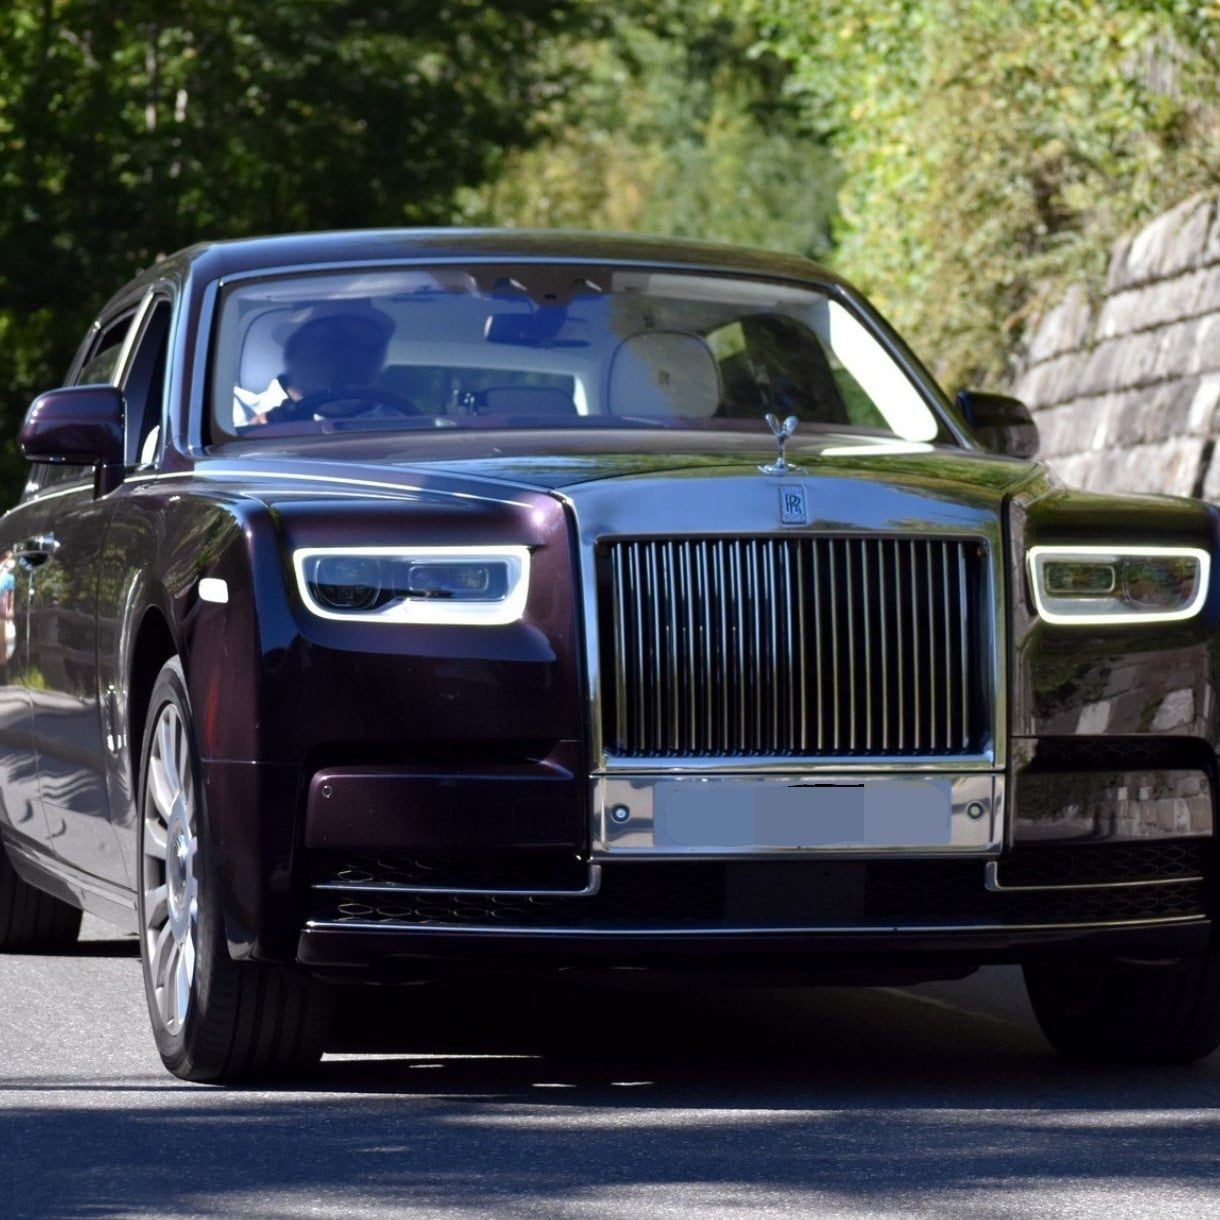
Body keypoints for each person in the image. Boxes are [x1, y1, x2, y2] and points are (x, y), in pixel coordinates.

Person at [233, 301, 394, 428]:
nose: (356, 360)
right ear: (293, 352)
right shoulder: (234, 417)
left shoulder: (402, 423)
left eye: (370, 348)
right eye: (336, 344)